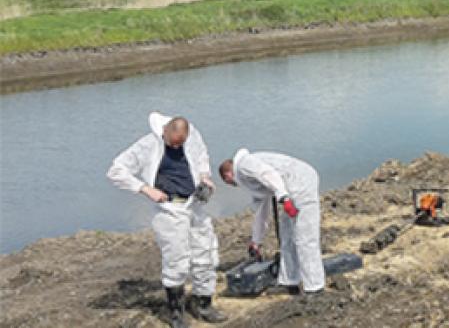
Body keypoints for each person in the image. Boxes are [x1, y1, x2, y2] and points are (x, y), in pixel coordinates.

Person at [107, 113, 226, 328]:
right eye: (173, 143)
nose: (177, 146)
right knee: (176, 260)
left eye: (181, 143)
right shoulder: (147, 145)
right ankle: (176, 313)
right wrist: (146, 189)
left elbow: (201, 156)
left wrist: (205, 177)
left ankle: (203, 304)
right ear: (165, 132)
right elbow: (116, 171)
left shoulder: (193, 136)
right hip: (170, 208)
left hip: (195, 203)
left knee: (205, 253)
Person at [219, 149, 325, 295]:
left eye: (229, 183)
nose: (233, 185)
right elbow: (261, 212)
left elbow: (268, 174)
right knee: (287, 236)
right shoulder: (251, 181)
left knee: (305, 237)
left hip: (301, 182)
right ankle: (289, 281)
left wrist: (283, 198)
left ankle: (315, 287)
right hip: (289, 189)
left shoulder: (244, 164)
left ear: (228, 175)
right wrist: (256, 241)